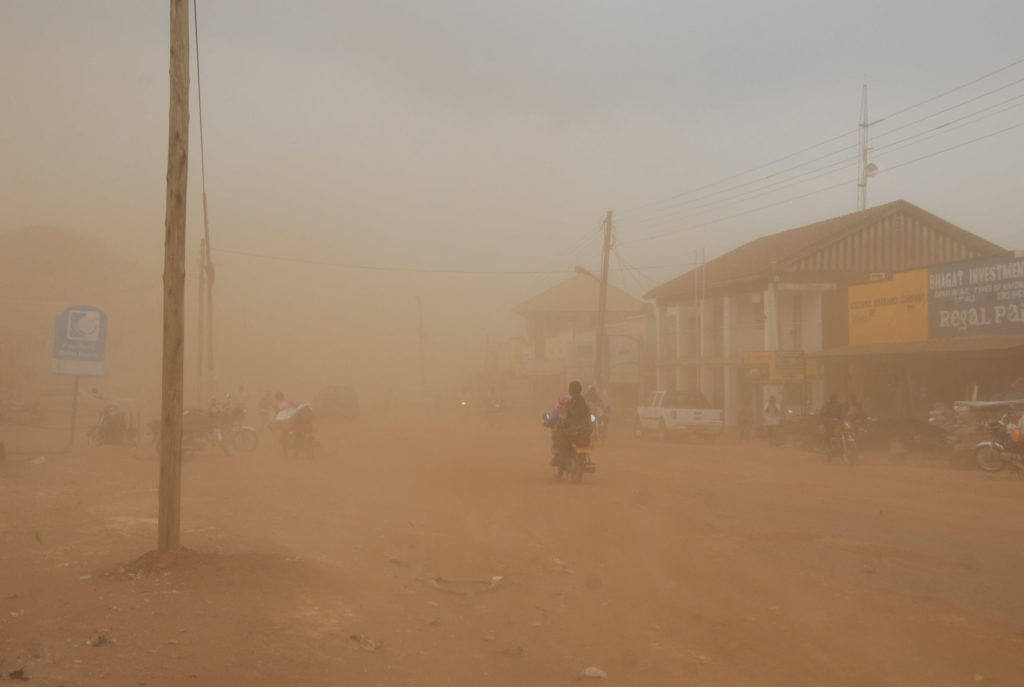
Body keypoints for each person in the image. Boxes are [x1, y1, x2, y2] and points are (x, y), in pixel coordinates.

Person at [547, 381, 592, 466]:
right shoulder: (582, 400)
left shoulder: (572, 400)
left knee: (561, 435)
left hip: (575, 428)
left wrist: (564, 423)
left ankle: (560, 459)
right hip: (586, 429)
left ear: (571, 390)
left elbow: (571, 415)